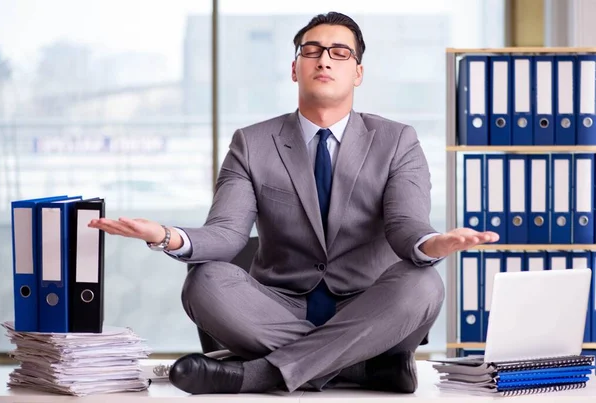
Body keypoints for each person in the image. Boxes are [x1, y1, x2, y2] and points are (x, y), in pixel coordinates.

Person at [89, 11, 498, 395]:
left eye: (340, 53)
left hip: (368, 305)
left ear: (357, 73)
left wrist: (433, 244)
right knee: (205, 280)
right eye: (312, 51)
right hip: (277, 307)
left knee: (422, 283)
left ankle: (256, 374)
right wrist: (167, 236)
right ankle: (360, 366)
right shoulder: (251, 143)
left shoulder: (397, 141)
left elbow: (405, 224)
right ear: (294, 68)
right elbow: (227, 235)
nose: (324, 60)